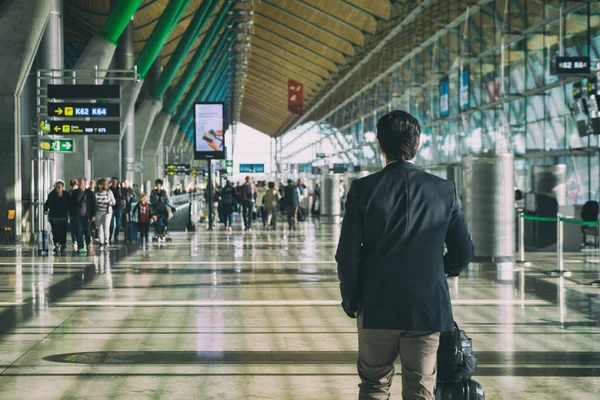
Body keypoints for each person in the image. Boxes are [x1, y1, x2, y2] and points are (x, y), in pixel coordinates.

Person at [335, 110, 474, 400]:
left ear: (380, 146)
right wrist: (438, 269)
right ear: (419, 143)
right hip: (426, 307)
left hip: (376, 304)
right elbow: (464, 251)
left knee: (374, 384)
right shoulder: (443, 190)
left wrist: (351, 299)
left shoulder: (363, 189)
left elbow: (347, 255)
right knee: (421, 388)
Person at [70, 178, 96, 255]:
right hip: (77, 216)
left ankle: (88, 243)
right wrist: (71, 214)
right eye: (79, 183)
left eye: (81, 183)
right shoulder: (75, 193)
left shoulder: (90, 193)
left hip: (87, 216)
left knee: (88, 231)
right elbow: (71, 204)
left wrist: (93, 215)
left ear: (85, 184)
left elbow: (94, 204)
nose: (79, 184)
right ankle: (80, 246)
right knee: (79, 231)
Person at [44, 180, 70, 254]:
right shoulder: (51, 194)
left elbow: (69, 204)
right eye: (56, 187)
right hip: (54, 216)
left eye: (59, 187)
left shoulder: (66, 194)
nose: (57, 188)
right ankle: (57, 244)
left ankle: (63, 243)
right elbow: (47, 203)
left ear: (62, 187)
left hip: (63, 216)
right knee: (55, 231)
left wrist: (71, 212)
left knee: (63, 231)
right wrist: (45, 210)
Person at [94, 178, 115, 249]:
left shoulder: (109, 192)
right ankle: (101, 242)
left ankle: (106, 242)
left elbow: (114, 201)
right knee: (99, 227)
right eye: (99, 184)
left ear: (104, 185)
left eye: (101, 185)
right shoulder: (95, 193)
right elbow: (93, 203)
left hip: (107, 212)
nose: (100, 186)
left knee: (106, 226)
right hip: (98, 212)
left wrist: (111, 203)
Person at [109, 177, 125, 242]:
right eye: (113, 181)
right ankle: (109, 236)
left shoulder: (120, 189)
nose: (114, 183)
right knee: (111, 224)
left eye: (115, 181)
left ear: (117, 182)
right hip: (111, 208)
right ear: (111, 182)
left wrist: (121, 195)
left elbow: (124, 196)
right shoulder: (109, 189)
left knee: (118, 224)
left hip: (118, 208)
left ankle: (116, 235)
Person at [68, 179, 79, 250]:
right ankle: (75, 239)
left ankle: (76, 239)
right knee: (74, 226)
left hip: (76, 212)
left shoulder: (71, 192)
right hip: (74, 212)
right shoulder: (70, 192)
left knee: (76, 226)